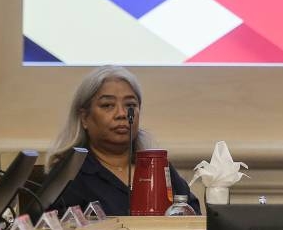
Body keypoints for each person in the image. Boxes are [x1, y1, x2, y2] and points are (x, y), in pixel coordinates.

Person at [47, 65, 200, 216]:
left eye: (130, 105)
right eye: (107, 105)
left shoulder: (156, 166)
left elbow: (193, 215)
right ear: (84, 118)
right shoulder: (69, 174)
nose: (121, 114)